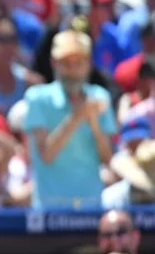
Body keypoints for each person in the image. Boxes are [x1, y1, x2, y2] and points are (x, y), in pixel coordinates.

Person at [23, 30, 116, 209]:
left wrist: (94, 122)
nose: (72, 70)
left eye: (78, 63)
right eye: (66, 63)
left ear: (88, 65)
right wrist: (77, 117)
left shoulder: (100, 96)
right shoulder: (38, 98)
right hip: (50, 208)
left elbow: (106, 158)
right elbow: (46, 155)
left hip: (91, 206)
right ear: (54, 63)